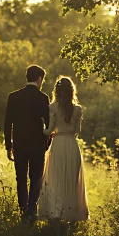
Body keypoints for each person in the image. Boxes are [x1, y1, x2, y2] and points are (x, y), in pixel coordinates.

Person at [37, 76, 89, 222]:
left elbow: (48, 132)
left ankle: (56, 213)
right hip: (72, 146)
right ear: (72, 91)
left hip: (58, 145)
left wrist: (43, 126)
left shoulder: (52, 107)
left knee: (56, 180)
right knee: (71, 181)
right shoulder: (78, 109)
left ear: (57, 91)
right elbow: (76, 131)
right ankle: (70, 214)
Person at [4, 65, 51, 222]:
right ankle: (32, 211)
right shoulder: (43, 98)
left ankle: (23, 210)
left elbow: (7, 124)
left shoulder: (13, 96)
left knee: (21, 178)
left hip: (19, 144)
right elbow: (48, 125)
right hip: (37, 145)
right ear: (39, 79)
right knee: (36, 178)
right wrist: (46, 144)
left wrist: (8, 146)